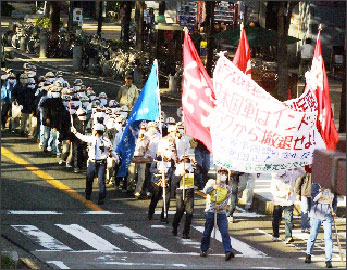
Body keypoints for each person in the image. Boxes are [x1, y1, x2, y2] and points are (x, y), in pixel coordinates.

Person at [71, 123, 118, 205]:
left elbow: (111, 151)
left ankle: (101, 197)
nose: (92, 131)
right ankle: (88, 194)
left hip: (102, 163)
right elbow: (82, 137)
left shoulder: (106, 141)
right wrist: (75, 132)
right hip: (92, 162)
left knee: (101, 181)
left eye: (93, 130)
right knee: (89, 179)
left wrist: (116, 158)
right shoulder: (92, 139)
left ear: (96, 131)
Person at [200, 168, 234, 261]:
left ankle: (228, 251)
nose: (223, 175)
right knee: (207, 232)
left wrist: (220, 207)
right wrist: (212, 187)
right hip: (210, 211)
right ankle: (204, 249)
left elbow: (226, 200)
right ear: (218, 174)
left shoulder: (228, 188)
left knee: (225, 232)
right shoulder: (211, 182)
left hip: (221, 213)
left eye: (225, 174)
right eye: (221, 173)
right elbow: (205, 191)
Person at [305, 183, 337, 269]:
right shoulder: (315, 186)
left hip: (327, 216)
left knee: (328, 238)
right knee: (313, 236)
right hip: (316, 215)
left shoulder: (333, 187)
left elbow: (334, 201)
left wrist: (334, 210)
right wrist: (321, 192)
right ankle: (308, 253)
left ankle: (328, 260)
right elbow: (313, 200)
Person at [271, 168, 305, 243]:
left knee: (289, 220)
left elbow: (304, 172)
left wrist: (297, 166)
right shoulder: (274, 178)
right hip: (278, 201)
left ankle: (288, 236)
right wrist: (285, 193)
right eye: (281, 175)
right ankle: (275, 235)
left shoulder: (291, 174)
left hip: (289, 201)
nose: (282, 176)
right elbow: (273, 192)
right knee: (276, 219)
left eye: (283, 174)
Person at [148, 141, 175, 224]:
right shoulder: (158, 159)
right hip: (156, 181)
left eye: (172, 151)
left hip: (166, 181)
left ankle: (164, 216)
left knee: (167, 200)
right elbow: (151, 169)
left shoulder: (172, 161)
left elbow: (172, 171)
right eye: (168, 150)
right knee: (155, 197)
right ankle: (151, 212)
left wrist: (167, 179)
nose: (170, 152)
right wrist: (159, 171)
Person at [172, 155, 195, 239]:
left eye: (187, 161)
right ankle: (175, 226)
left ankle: (186, 232)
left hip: (189, 193)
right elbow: (174, 182)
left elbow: (200, 172)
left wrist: (195, 163)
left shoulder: (192, 169)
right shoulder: (177, 170)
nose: (186, 162)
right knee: (179, 212)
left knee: (189, 213)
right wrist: (181, 176)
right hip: (180, 193)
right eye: (184, 160)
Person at [129, 122, 151, 198]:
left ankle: (137, 191)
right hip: (133, 158)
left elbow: (148, 150)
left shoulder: (147, 139)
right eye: (141, 128)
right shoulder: (133, 137)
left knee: (142, 178)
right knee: (131, 177)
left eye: (144, 129)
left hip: (142, 159)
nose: (143, 130)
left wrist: (144, 158)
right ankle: (130, 188)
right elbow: (129, 149)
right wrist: (132, 157)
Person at [295, 165, 312, 233]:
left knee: (311, 211)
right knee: (305, 210)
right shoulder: (306, 170)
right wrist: (297, 193)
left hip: (313, 194)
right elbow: (299, 181)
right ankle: (304, 227)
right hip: (305, 193)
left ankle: (310, 226)